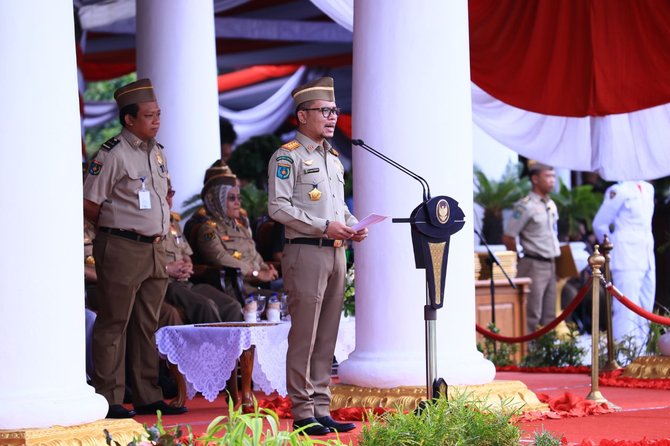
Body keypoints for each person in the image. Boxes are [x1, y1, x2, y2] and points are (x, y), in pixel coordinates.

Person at [267, 76, 368, 436]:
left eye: (335, 110)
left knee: (327, 335)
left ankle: (322, 407)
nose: (332, 117)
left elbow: (338, 208)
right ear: (302, 115)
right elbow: (278, 208)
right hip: (306, 252)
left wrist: (354, 224)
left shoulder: (334, 158)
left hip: (337, 252)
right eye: (324, 111)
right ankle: (302, 410)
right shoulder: (287, 156)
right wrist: (325, 226)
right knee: (305, 335)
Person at [83, 78, 186, 418]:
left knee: (146, 323)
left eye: (158, 114)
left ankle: (147, 395)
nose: (157, 120)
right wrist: (114, 228)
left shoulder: (157, 152)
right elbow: (89, 202)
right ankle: (109, 397)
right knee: (115, 322)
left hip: (155, 248)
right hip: (122, 245)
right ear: (129, 119)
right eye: (149, 115)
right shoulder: (112, 153)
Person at [164, 181, 243, 323]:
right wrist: (168, 269)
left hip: (185, 282)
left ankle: (231, 345)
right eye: (164, 193)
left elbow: (186, 255)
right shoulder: (146, 225)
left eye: (171, 193)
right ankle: (214, 345)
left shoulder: (173, 223)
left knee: (232, 306)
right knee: (205, 306)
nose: (168, 198)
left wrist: (188, 266)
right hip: (166, 284)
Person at [593, 180, 655, 348]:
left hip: (647, 254)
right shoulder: (619, 190)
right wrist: (614, 246)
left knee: (645, 309)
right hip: (626, 256)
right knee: (625, 310)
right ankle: (623, 356)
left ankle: (641, 354)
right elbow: (599, 224)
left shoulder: (648, 188)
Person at [195, 173, 280, 296]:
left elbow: (254, 255)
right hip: (238, 287)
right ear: (218, 202)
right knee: (286, 301)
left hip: (259, 283)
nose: (237, 203)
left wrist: (267, 270)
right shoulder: (208, 230)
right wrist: (256, 273)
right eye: (231, 198)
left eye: (238, 198)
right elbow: (220, 258)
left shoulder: (241, 227)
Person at [503, 161, 561, 335]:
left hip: (551, 264)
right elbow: (508, 236)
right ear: (535, 179)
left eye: (553, 176)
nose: (552, 180)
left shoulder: (550, 204)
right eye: (548, 176)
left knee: (550, 314)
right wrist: (520, 258)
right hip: (533, 264)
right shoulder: (525, 205)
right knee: (531, 313)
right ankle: (527, 358)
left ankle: (547, 356)